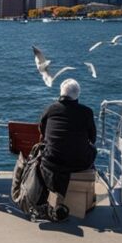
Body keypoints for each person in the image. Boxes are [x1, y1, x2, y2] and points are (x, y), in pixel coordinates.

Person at [36, 79, 97, 221]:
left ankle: (52, 200)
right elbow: (92, 139)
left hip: (52, 161)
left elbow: (42, 131)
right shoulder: (87, 112)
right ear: (78, 94)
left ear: (61, 93)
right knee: (93, 150)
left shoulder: (50, 109)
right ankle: (85, 199)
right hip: (79, 162)